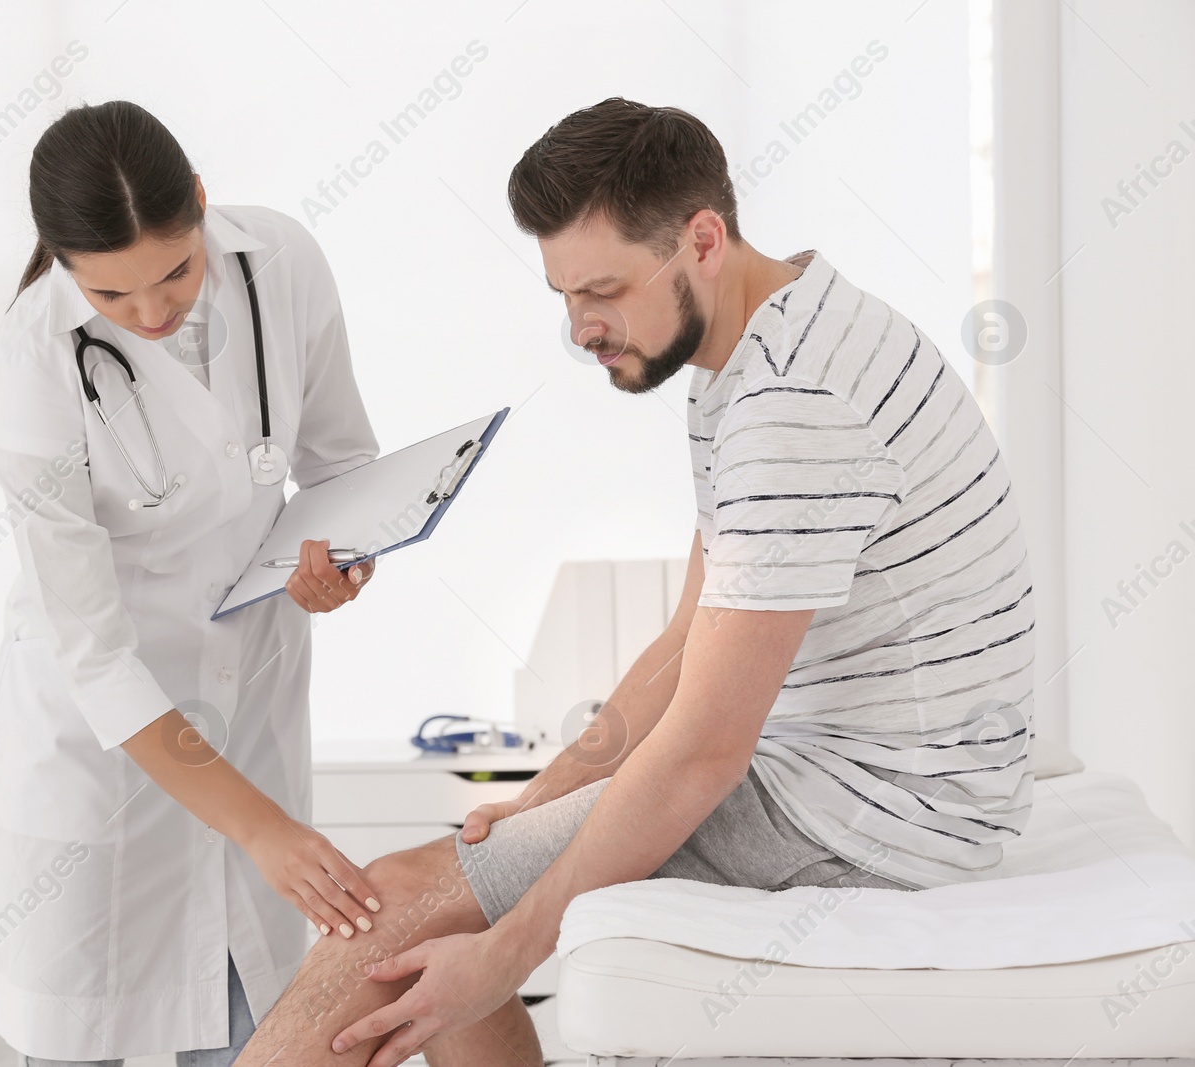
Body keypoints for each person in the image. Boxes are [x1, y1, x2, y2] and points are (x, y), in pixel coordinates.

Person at [230, 98, 1037, 1067]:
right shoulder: (766, 343)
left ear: (702, 238)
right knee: (427, 920)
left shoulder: (790, 408)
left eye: (603, 290)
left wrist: (503, 954)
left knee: (397, 903)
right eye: (563, 295)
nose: (580, 330)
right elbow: (693, 633)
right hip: (868, 778)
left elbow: (702, 752)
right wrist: (548, 792)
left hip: (871, 813)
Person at [0, 100, 389, 1066]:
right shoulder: (32, 356)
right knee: (81, 1033)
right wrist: (264, 828)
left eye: (175, 269)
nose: (153, 312)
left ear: (201, 202)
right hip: (103, 742)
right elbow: (96, 651)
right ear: (61, 262)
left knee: (252, 1020)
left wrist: (341, 556)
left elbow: (343, 469)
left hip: (249, 688)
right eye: (112, 298)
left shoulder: (282, 261)